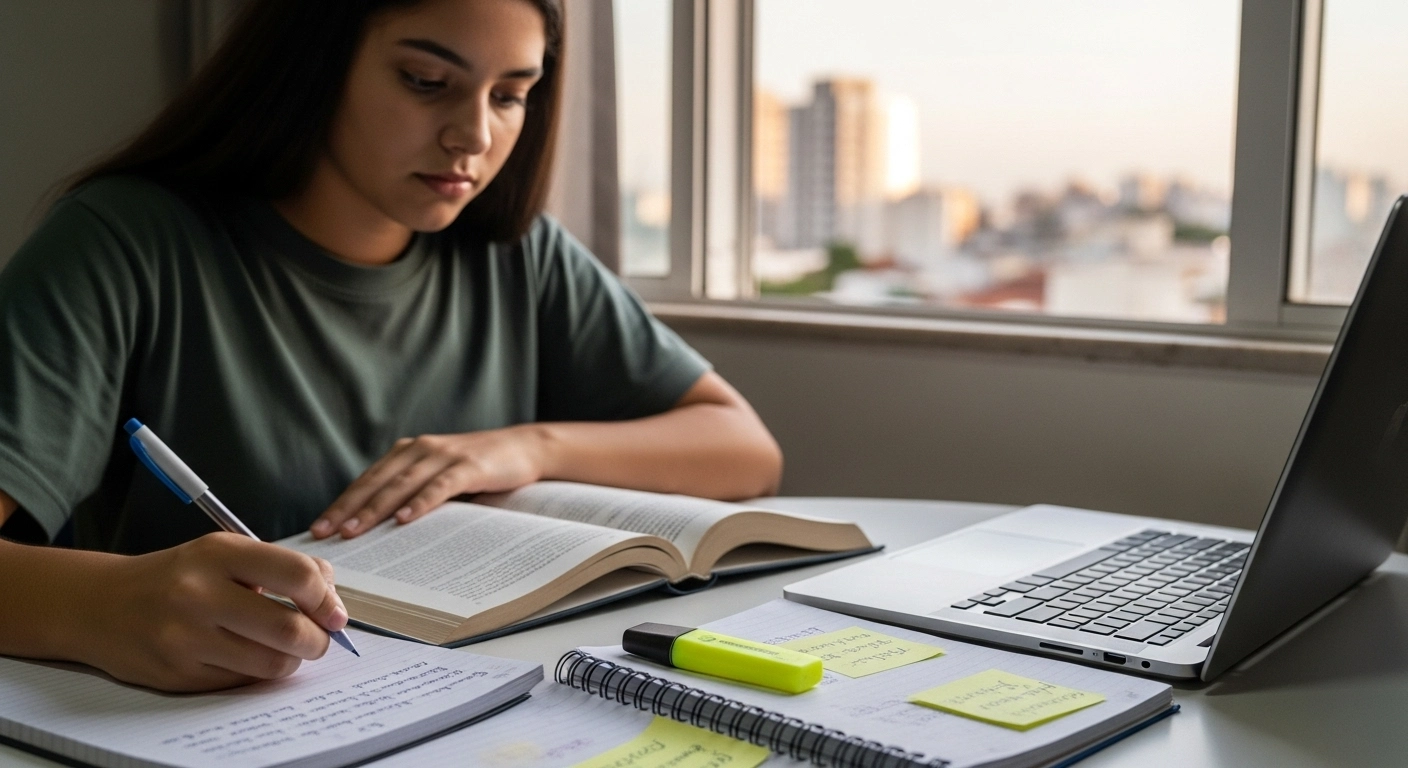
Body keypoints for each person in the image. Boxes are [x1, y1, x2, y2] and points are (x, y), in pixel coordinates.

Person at [0, 0, 782, 693]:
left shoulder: (516, 255)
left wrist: (526, 447)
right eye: (423, 80)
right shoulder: (124, 243)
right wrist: (105, 605)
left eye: (511, 95)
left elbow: (742, 447)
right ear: (313, 63)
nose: (473, 135)